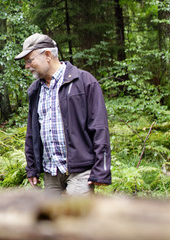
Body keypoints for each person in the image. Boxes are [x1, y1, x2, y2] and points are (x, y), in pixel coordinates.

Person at [14, 33, 111, 195]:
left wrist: (102, 169)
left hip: (81, 170)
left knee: (77, 218)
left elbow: (99, 127)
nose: (27, 66)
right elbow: (32, 132)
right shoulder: (35, 90)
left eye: (29, 60)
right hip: (51, 172)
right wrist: (32, 167)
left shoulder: (84, 82)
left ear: (47, 55)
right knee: (53, 220)